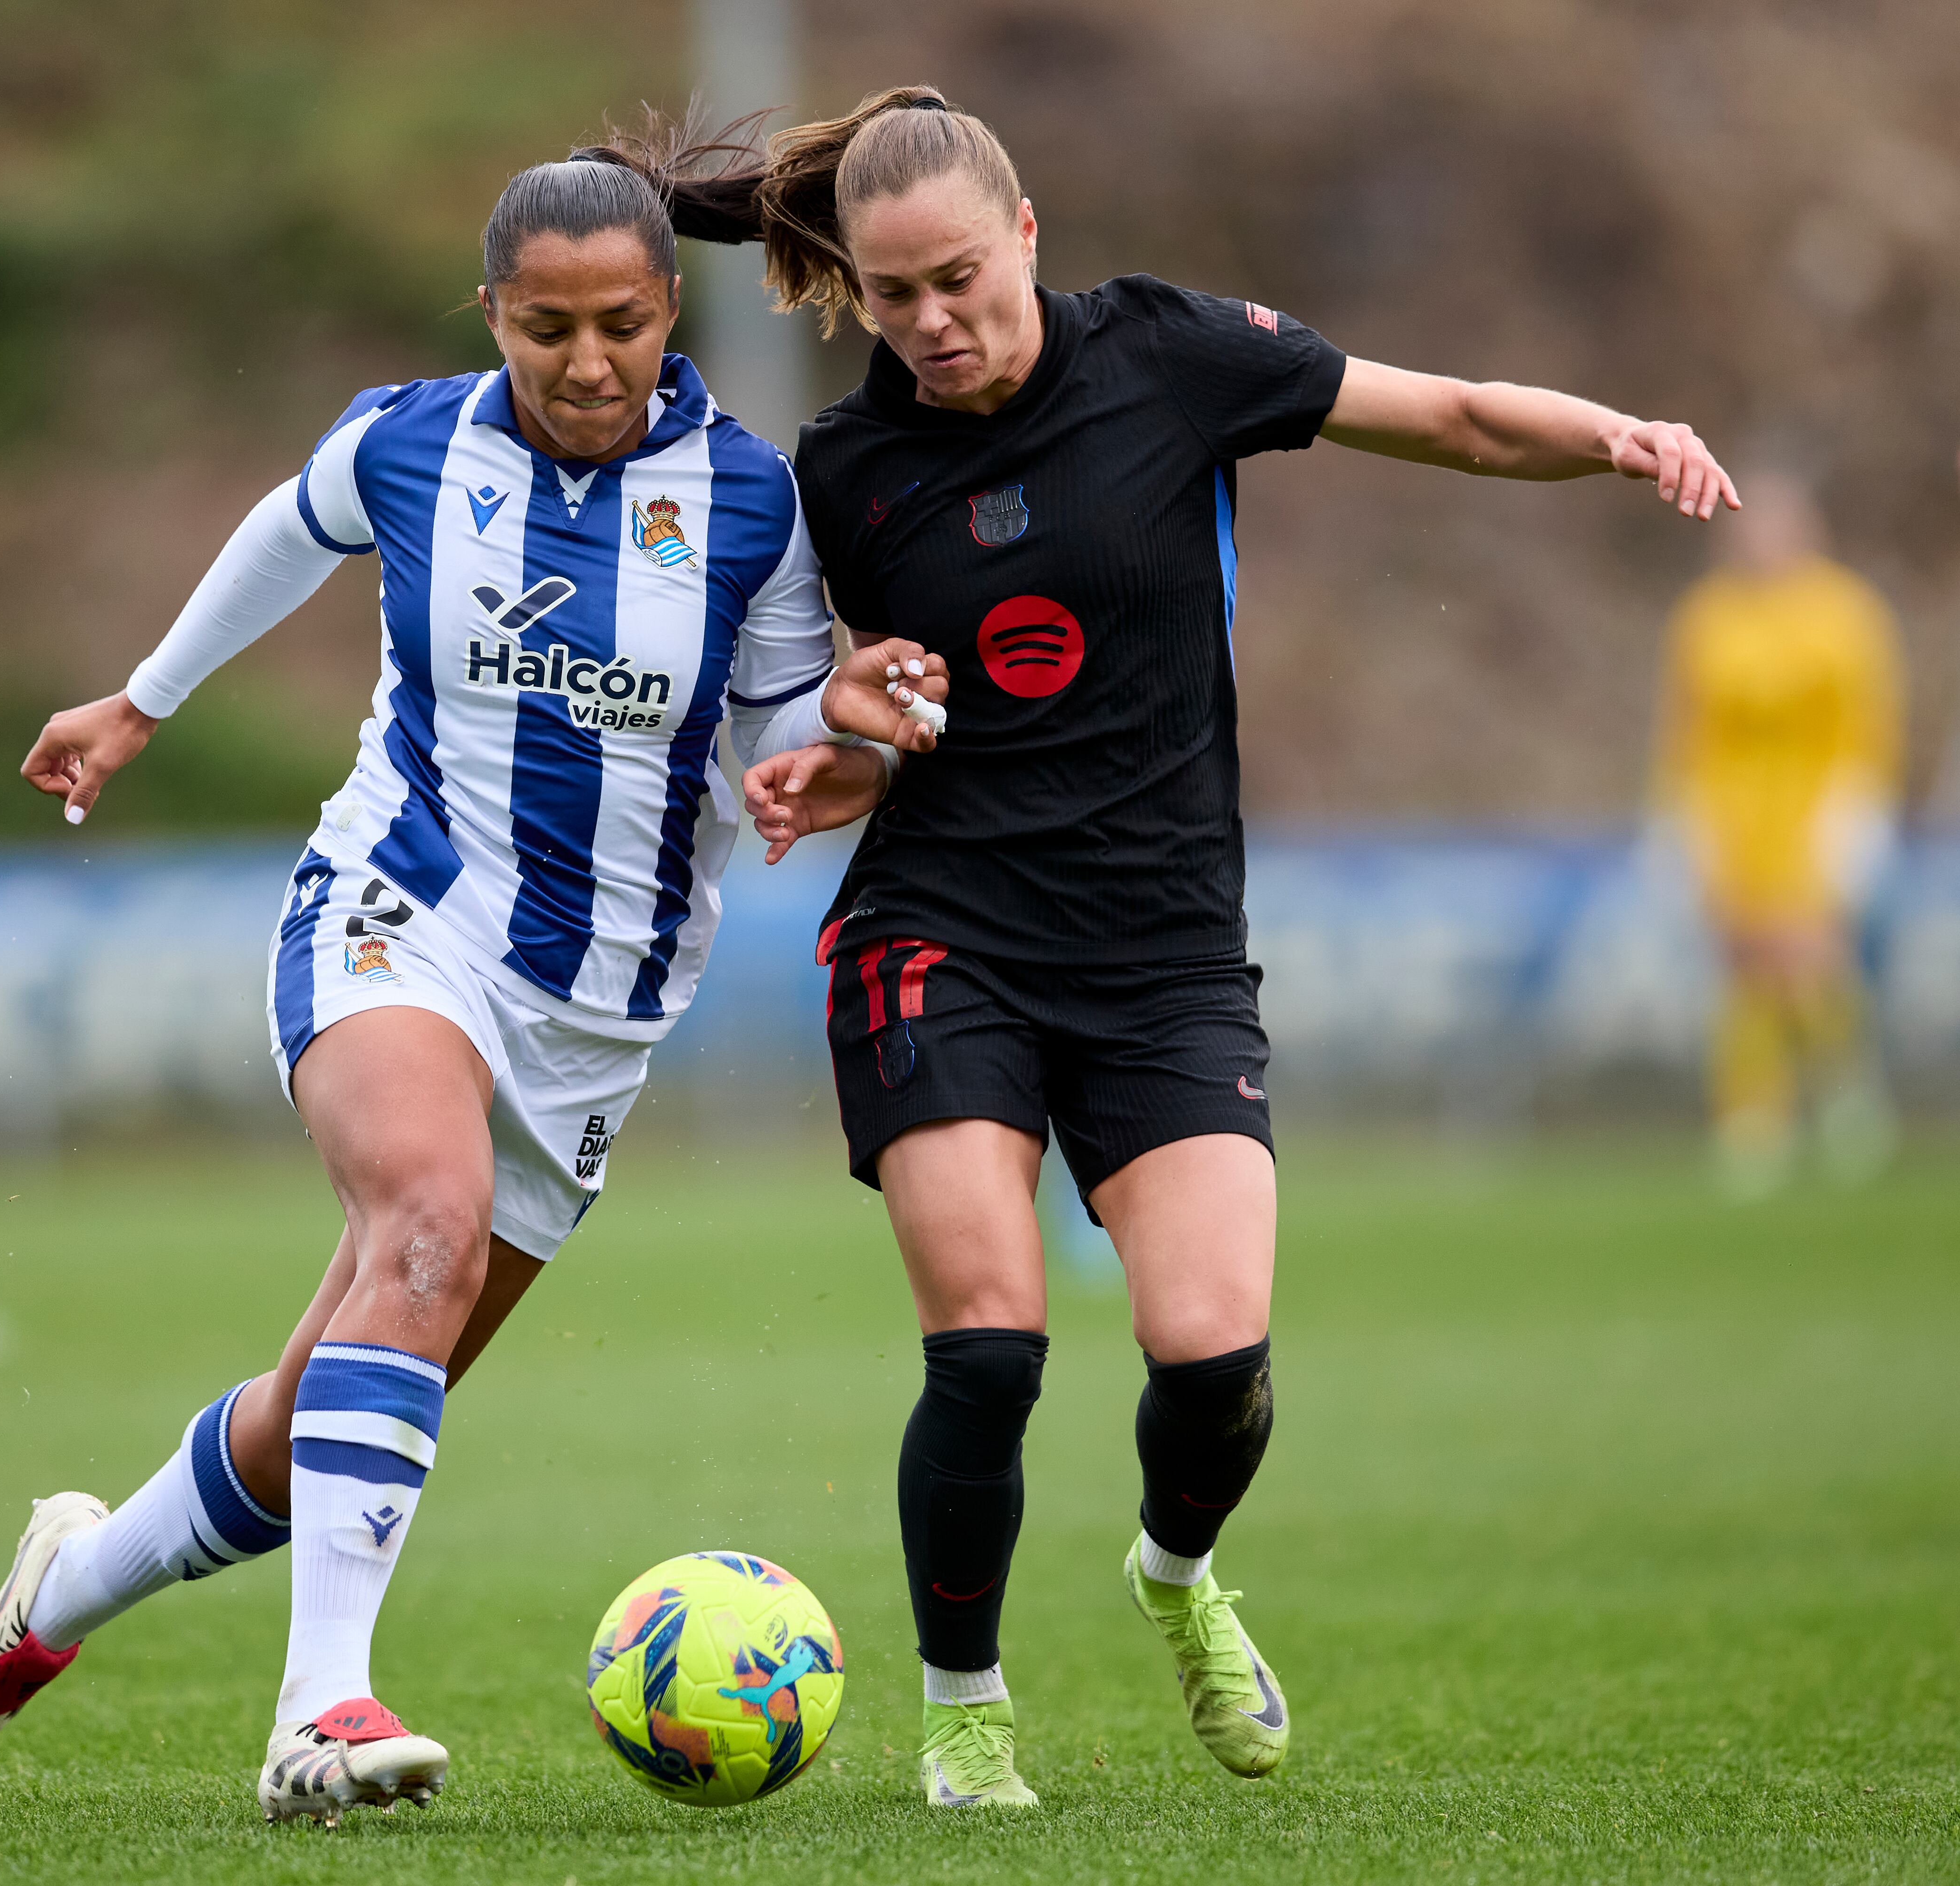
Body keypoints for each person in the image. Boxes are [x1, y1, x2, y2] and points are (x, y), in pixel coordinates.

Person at [718, 86, 1739, 1807]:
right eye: (893, 299)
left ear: (1026, 234)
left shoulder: (1173, 358)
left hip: (1167, 952)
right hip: (942, 929)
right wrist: (850, 734)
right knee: (988, 1338)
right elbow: (867, 685)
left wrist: (1616, 431)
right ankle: (966, 1717)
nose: (932, 324)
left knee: (1212, 1358)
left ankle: (1176, 1576)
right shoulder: (851, 470)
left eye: (958, 279)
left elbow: (1463, 420)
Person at [0, 138, 948, 1825]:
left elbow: (775, 727)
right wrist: (140, 700)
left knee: (319, 1411)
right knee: (424, 1224)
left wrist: (844, 740)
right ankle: (321, 1713)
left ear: (666, 308)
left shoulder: (753, 498)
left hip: (598, 1012)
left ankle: (65, 1589)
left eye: (619, 323)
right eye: (547, 329)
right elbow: (284, 527)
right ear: (495, 315)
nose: (589, 363)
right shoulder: (415, 442)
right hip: (401, 909)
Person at [1652, 470, 1905, 1197]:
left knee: (1808, 953)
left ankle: (1846, 1098)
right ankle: (1753, 1115)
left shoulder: (1845, 612)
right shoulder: (1708, 616)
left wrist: (1862, 807)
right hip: (1734, 810)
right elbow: (1687, 726)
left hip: (1815, 803)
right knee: (1742, 961)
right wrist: (1678, 815)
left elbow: (1871, 719)